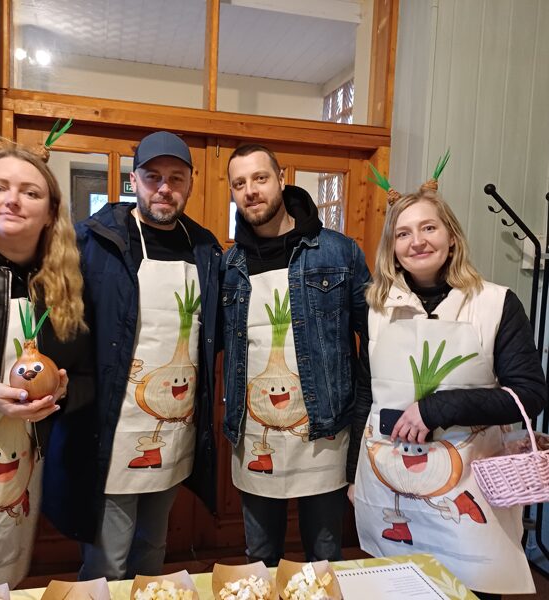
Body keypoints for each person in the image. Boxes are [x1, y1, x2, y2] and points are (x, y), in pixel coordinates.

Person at [350, 161, 547, 599]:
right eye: (403, 233)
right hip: (391, 486)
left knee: (471, 590)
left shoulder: (496, 304)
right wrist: (352, 476)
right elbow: (366, 394)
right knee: (399, 589)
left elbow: (529, 394)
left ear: (452, 236)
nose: (417, 241)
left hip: (469, 486)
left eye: (429, 228)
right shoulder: (376, 308)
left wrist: (438, 407)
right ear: (392, 248)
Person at [0, 137, 94, 588]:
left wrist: (63, 392)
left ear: (50, 212)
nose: (13, 200)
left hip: (19, 472)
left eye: (30, 192)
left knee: (3, 579)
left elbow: (88, 376)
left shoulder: (62, 288)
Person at [76, 131, 221, 580]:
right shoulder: (98, 240)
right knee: (108, 559)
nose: (164, 188)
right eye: (153, 176)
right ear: (133, 180)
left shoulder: (204, 248)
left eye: (176, 178)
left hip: (174, 424)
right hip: (116, 426)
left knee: (153, 547)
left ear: (190, 183)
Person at [221, 144, 371, 566]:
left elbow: (375, 337)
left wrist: (366, 412)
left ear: (281, 180)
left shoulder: (339, 252)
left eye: (260, 178)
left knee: (324, 556)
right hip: (255, 436)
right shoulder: (228, 265)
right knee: (260, 558)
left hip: (325, 434)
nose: (251, 190)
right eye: (239, 183)